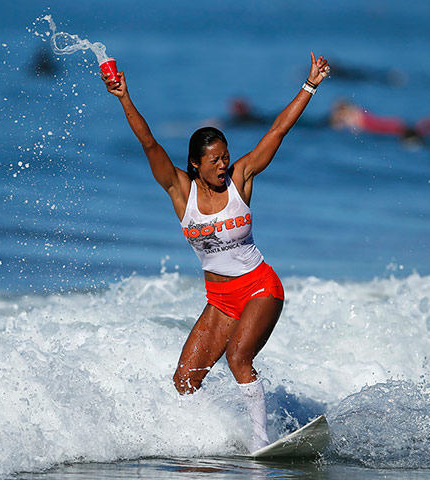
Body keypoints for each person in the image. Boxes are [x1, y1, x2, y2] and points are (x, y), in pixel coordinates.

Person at [102, 52, 330, 452]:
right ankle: (210, 442)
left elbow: (277, 131)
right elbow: (149, 143)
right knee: (185, 379)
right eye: (214, 160)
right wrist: (123, 97)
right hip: (220, 299)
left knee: (239, 358)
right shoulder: (179, 191)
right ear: (195, 164)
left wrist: (309, 86)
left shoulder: (240, 180)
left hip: (260, 287)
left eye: (225, 157)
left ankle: (262, 442)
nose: (223, 165)